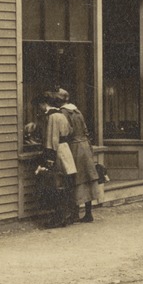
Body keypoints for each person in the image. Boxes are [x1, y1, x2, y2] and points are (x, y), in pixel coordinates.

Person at [56, 88, 104, 223]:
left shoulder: (63, 113)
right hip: (85, 147)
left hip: (74, 147)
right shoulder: (77, 111)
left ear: (59, 100)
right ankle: (88, 213)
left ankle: (74, 213)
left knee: (74, 179)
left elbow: (67, 132)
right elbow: (85, 130)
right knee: (87, 178)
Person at [37, 91, 79, 227]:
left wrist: (49, 158)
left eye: (40, 105)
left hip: (58, 152)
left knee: (57, 184)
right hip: (66, 149)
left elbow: (52, 138)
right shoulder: (61, 114)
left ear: (44, 104)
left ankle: (59, 217)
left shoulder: (53, 117)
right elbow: (70, 131)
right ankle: (68, 215)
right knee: (66, 184)